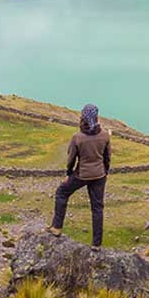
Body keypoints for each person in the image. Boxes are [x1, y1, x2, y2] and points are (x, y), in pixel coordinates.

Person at [48, 104, 111, 247]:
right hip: (99, 175)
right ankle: (96, 244)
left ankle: (57, 227)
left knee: (61, 193)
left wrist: (69, 173)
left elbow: (71, 158)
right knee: (97, 208)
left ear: (83, 118)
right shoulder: (105, 135)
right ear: (96, 117)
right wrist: (105, 171)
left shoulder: (77, 137)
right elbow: (107, 157)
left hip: (82, 174)